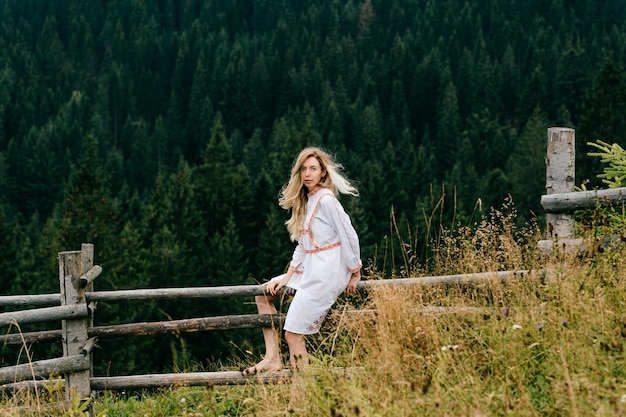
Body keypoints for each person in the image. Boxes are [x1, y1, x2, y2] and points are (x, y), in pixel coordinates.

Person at [243, 147, 362, 376]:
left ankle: (300, 396)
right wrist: (287, 277)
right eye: (304, 169)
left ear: (323, 173)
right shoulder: (307, 201)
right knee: (263, 293)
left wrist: (354, 271)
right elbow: (303, 246)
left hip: (327, 271)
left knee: (293, 334)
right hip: (312, 265)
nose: (308, 174)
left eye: (313, 169)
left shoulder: (326, 200)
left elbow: (349, 234)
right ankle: (272, 358)